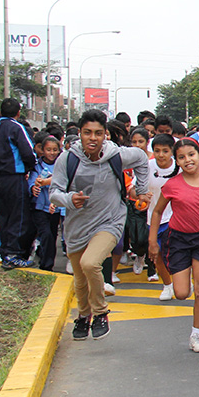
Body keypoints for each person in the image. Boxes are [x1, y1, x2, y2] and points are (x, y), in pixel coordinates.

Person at [50, 109, 151, 341]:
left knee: (90, 263)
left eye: (98, 133)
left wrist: (142, 189)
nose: (93, 138)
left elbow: (141, 158)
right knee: (80, 278)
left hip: (110, 221)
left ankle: (100, 312)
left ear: (105, 134)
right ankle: (84, 315)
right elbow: (54, 193)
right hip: (77, 226)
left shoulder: (117, 155)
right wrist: (69, 199)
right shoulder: (68, 159)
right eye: (87, 133)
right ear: (80, 134)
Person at [148, 138, 199, 352]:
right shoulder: (172, 185)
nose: (188, 160)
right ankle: (185, 281)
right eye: (182, 157)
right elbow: (157, 212)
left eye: (191, 155)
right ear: (177, 161)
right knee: (182, 293)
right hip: (178, 240)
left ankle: (197, 335)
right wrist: (152, 241)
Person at [0, 98, 37, 269]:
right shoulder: (16, 128)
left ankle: (4, 253)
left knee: (2, 216)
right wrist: (29, 168)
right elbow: (28, 153)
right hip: (14, 177)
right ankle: (13, 254)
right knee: (17, 216)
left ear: (0, 112)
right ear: (18, 113)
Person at [145, 134, 179, 301]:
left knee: (177, 253)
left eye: (165, 151)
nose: (161, 155)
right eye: (157, 151)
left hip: (176, 217)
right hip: (154, 217)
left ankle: (181, 280)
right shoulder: (147, 167)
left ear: (172, 151)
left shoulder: (180, 167)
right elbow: (135, 188)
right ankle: (167, 285)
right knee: (156, 253)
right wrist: (140, 195)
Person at [25, 135, 63, 270]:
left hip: (55, 208)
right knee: (46, 234)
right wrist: (33, 187)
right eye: (48, 150)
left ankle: (47, 262)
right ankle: (45, 265)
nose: (52, 153)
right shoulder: (37, 166)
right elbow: (32, 181)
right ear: (43, 150)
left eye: (55, 150)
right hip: (40, 207)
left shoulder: (61, 166)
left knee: (52, 236)